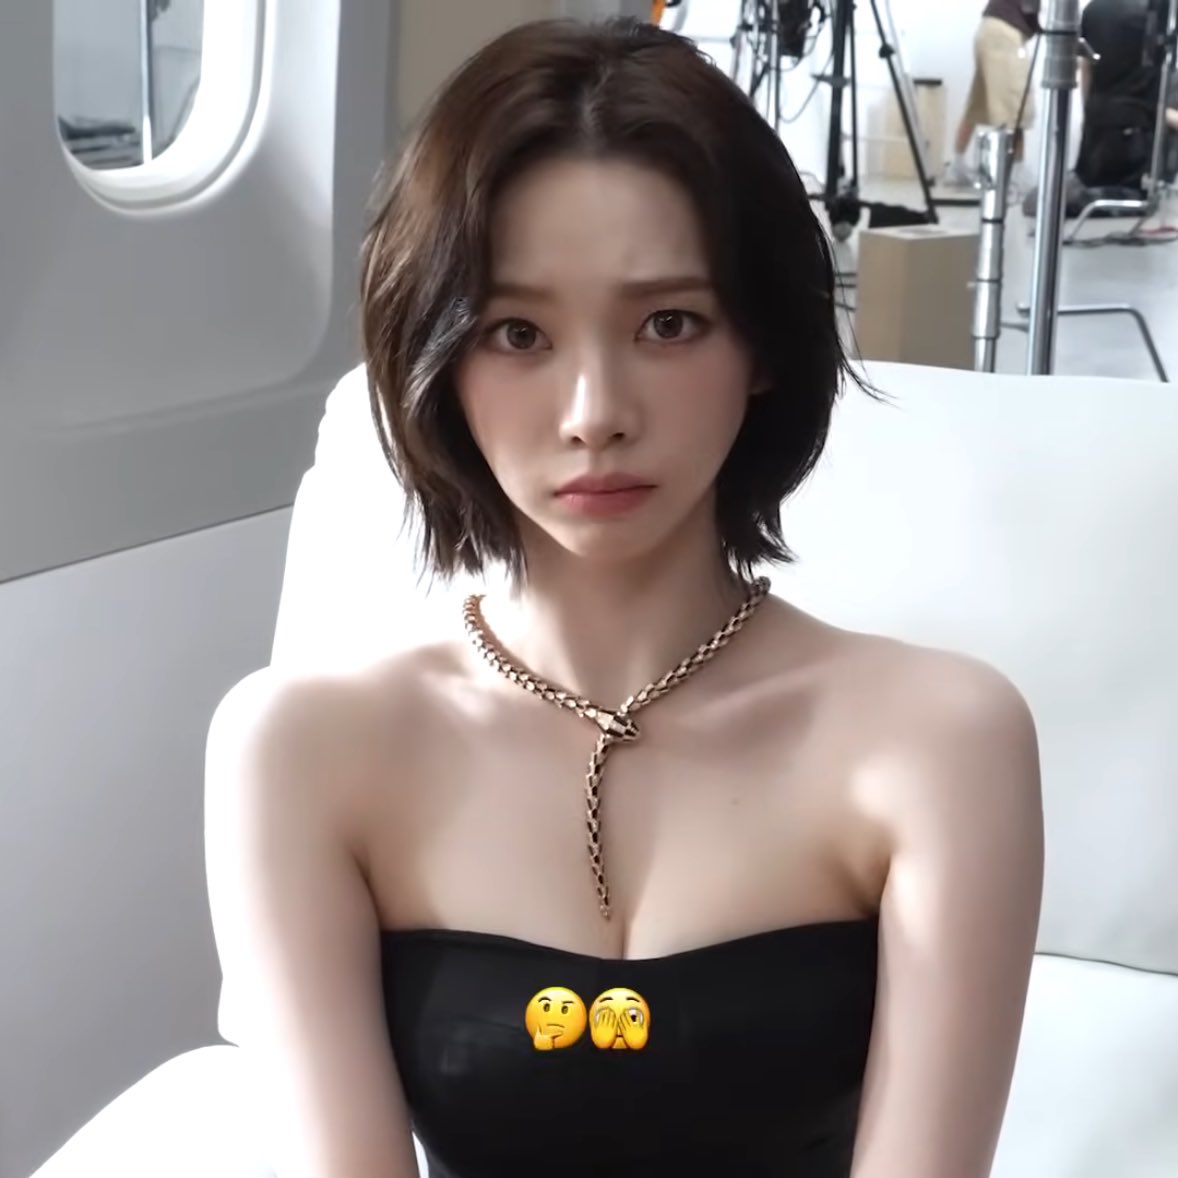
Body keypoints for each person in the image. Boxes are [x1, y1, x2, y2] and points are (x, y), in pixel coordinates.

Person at [205, 17, 1044, 1178]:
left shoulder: (939, 739)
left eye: (667, 323)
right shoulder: (301, 746)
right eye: (517, 333)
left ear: (760, 344)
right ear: (436, 356)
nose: (595, 410)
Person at [1075, 0, 1178, 189]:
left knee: (1093, 195)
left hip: (1098, 128)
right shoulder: (1157, 13)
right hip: (1138, 133)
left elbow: (1086, 69)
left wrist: (1088, 114)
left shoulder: (1094, 9)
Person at [947, 0, 1042, 191]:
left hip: (987, 31)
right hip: (1005, 35)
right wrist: (1043, 29)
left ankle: (957, 164)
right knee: (1016, 104)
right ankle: (1016, 172)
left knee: (978, 100)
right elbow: (1029, 9)